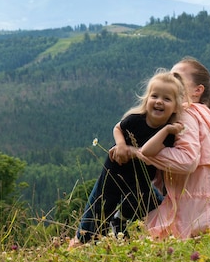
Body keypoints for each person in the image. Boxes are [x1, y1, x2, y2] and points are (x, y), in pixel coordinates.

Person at [71, 69, 185, 245]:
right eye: (154, 96)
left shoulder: (168, 133)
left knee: (150, 200)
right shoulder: (136, 119)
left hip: (141, 175)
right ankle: (89, 240)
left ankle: (119, 222)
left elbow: (149, 151)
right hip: (117, 166)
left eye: (166, 99)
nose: (159, 102)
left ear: (176, 107)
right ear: (147, 99)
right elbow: (118, 128)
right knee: (104, 201)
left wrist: (166, 130)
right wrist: (121, 145)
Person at [139, 57, 210, 239]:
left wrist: (145, 151)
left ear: (198, 91)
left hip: (196, 215)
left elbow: (188, 160)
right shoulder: (208, 118)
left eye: (177, 78)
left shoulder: (187, 114)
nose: (169, 81)